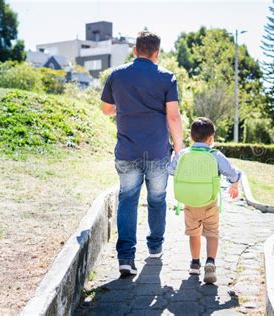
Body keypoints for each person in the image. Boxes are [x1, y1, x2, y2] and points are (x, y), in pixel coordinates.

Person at [101, 31, 183, 277]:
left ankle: (126, 258)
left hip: (127, 151)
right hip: (158, 151)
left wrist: (125, 107)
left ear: (135, 50)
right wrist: (178, 147)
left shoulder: (116, 75)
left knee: (128, 200)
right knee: (157, 200)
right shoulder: (166, 78)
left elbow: (106, 110)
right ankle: (155, 248)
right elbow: (173, 116)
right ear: (156, 53)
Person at [168, 117, 241, 284]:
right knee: (212, 232)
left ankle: (195, 264)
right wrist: (235, 185)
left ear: (192, 137)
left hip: (189, 202)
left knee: (194, 233)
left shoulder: (183, 154)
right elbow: (233, 173)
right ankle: (210, 262)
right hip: (210, 202)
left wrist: (173, 155)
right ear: (211, 138)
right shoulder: (215, 155)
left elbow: (171, 171)